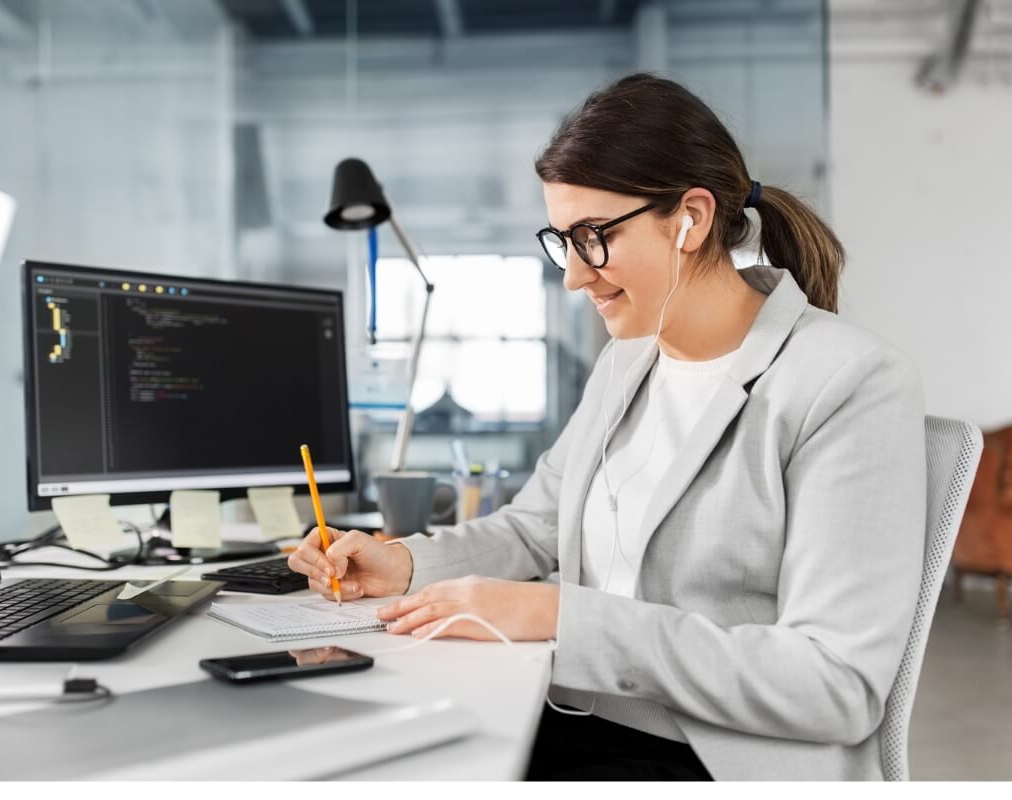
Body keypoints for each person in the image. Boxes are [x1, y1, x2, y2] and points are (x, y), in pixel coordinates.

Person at [287, 73, 925, 781]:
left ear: (692, 218)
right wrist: (402, 563)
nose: (573, 277)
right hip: (566, 717)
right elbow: (533, 527)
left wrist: (565, 617)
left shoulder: (848, 382)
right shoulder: (628, 362)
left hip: (709, 759)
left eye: (594, 238)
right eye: (563, 240)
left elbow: (835, 684)